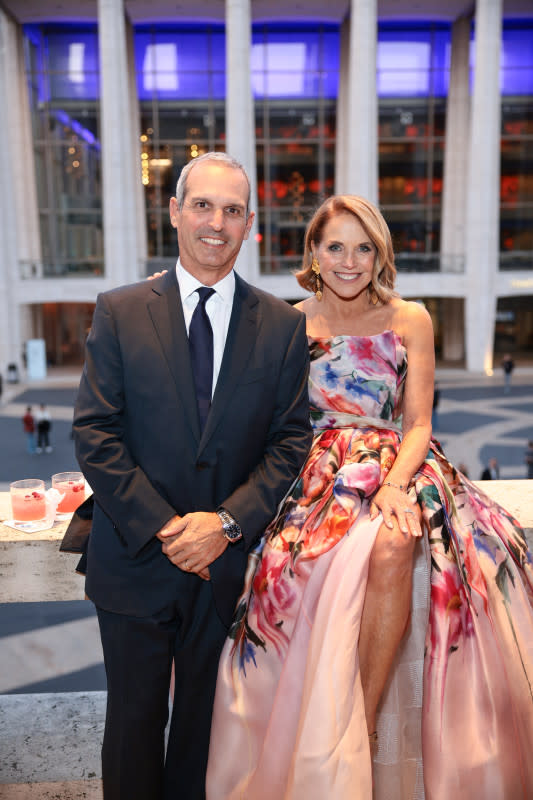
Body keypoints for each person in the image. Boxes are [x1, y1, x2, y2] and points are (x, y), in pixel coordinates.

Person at [206, 195, 533, 799]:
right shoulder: (288, 321)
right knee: (297, 564)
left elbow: (418, 424)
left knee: (393, 547)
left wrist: (393, 485)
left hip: (397, 462)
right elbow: (262, 415)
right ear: (314, 252)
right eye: (335, 246)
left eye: (363, 248)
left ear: (379, 254)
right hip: (316, 466)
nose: (349, 261)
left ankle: (363, 724)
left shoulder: (411, 318)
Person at [72, 152, 312, 800]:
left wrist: (226, 525)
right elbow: (95, 431)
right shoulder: (120, 310)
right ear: (174, 212)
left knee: (204, 740)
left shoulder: (285, 327)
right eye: (202, 205)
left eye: (232, 210)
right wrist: (172, 529)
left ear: (250, 224)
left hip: (226, 571)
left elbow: (291, 442)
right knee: (132, 729)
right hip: (135, 559)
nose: (216, 222)